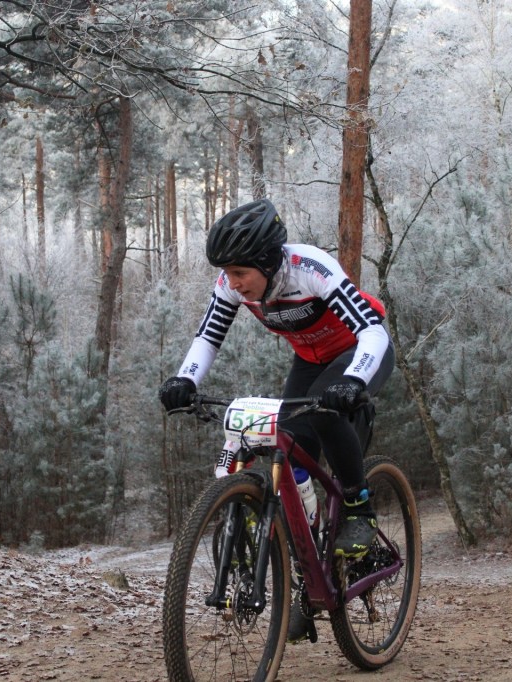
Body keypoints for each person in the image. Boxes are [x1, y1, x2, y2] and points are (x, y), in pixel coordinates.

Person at [158, 198, 395, 560]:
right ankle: (307, 552)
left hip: (360, 353)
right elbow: (208, 337)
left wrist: (354, 381)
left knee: (322, 414)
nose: (232, 283)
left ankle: (358, 508)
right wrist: (184, 380)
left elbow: (373, 333)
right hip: (310, 360)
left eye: (240, 273)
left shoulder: (310, 268)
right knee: (287, 446)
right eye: (227, 272)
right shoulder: (230, 284)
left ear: (267, 261)